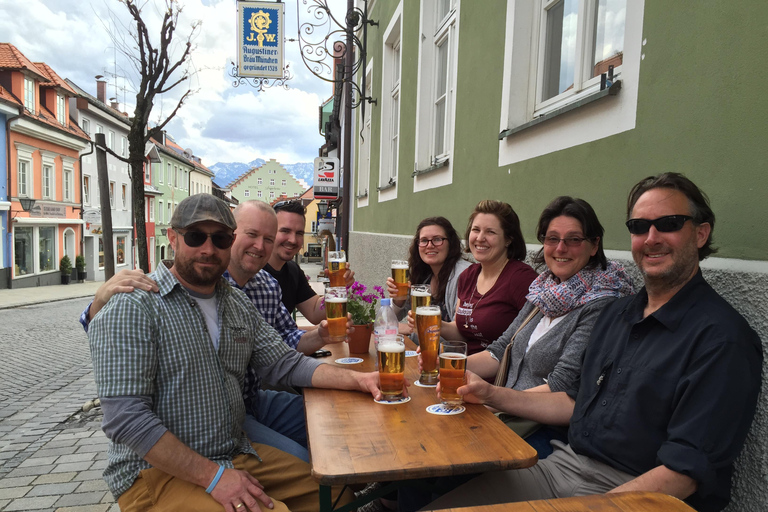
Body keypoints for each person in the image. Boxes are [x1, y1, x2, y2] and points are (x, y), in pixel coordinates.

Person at [426, 173, 762, 512]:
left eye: (669, 224)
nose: (652, 238)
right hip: (564, 466)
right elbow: (572, 400)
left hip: (639, 493)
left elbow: (684, 473)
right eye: (639, 227)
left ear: (700, 233)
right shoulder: (618, 313)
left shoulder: (722, 338)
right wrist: (489, 394)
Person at [88, 194, 391, 511]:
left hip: (228, 448)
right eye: (196, 237)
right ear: (173, 238)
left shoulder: (235, 301)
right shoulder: (135, 303)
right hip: (155, 473)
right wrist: (215, 477)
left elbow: (284, 363)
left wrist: (359, 380)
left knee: (337, 497)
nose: (208, 249)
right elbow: (126, 420)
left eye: (219, 238)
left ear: (229, 241)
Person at [79, 201, 346, 463]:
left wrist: (349, 364)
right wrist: (98, 304)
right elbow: (123, 402)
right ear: (173, 239)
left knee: (336, 421)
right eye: (252, 235)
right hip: (208, 423)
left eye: (219, 239)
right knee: (305, 459)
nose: (260, 246)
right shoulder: (169, 290)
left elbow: (283, 352)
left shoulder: (260, 286)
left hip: (251, 399)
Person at [438, 200, 538, 355]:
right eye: (476, 229)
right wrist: (436, 324)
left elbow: (530, 344)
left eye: (490, 232)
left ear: (508, 239)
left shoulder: (522, 279)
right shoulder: (467, 276)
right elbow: (463, 333)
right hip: (465, 368)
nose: (479, 238)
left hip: (497, 375)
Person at [265, 200, 354, 323]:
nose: (293, 240)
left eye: (299, 233)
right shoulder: (253, 270)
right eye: (285, 231)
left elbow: (314, 311)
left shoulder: (292, 271)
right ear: (270, 231)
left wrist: (338, 287)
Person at [386, 216, 472, 332]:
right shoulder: (425, 276)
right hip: (422, 347)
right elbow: (390, 319)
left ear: (450, 243)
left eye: (437, 239)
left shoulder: (463, 274)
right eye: (424, 240)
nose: (430, 245)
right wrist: (399, 300)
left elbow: (461, 332)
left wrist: (407, 329)